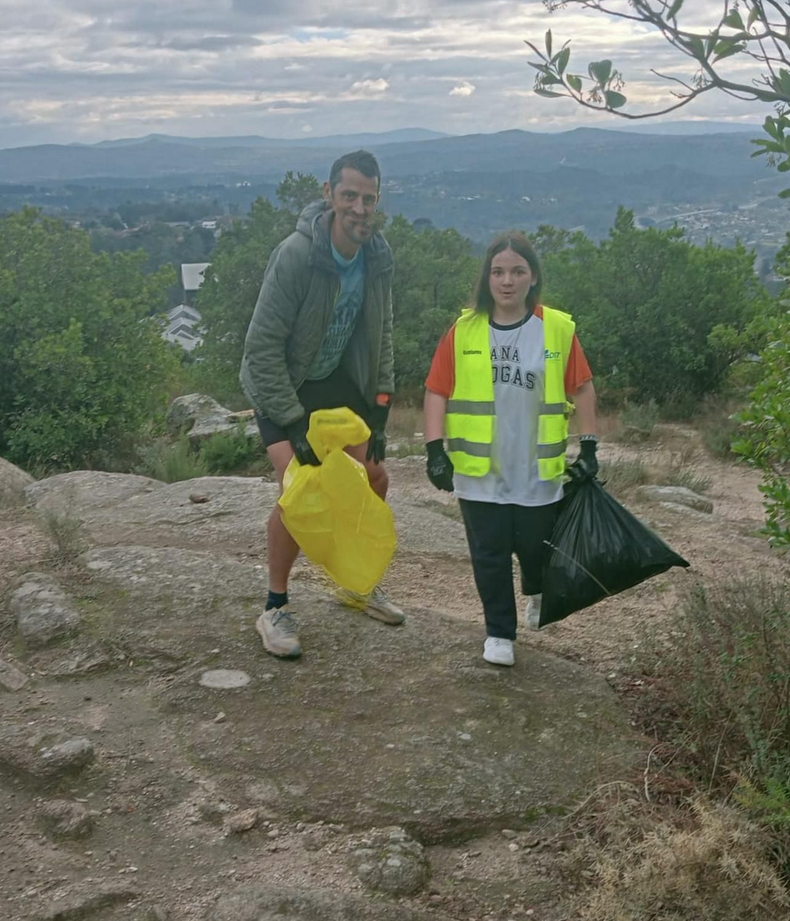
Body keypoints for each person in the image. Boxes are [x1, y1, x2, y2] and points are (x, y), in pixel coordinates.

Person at [240, 150, 404, 659]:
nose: (359, 208)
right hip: (284, 386)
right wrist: (291, 425)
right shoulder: (297, 254)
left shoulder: (377, 255)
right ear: (330, 195)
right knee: (301, 487)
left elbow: (383, 336)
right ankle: (274, 606)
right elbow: (261, 349)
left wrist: (378, 408)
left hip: (336, 383)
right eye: (350, 195)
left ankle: (355, 582)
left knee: (375, 478)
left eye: (369, 198)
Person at [422, 232, 598, 666]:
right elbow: (436, 391)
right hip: (479, 469)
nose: (506, 281)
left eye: (517, 271)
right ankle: (499, 633)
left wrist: (589, 446)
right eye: (498, 272)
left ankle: (536, 591)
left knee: (535, 546)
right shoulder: (462, 331)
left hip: (536, 468)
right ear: (486, 278)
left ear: (532, 277)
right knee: (490, 552)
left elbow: (583, 386)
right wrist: (433, 449)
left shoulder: (555, 328)